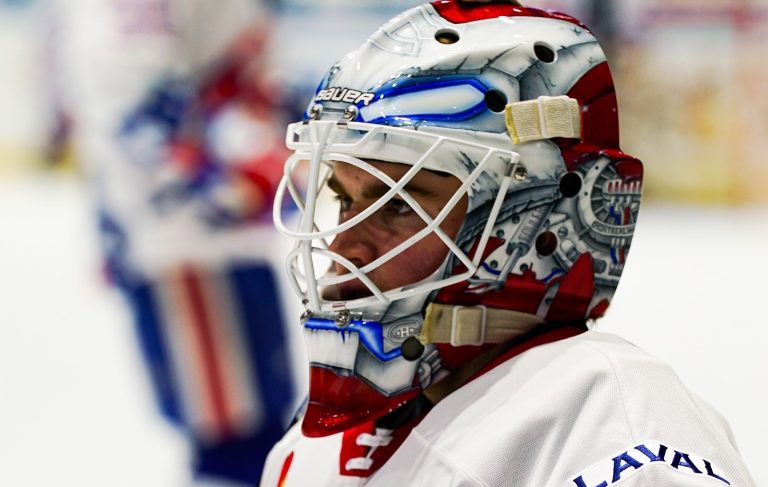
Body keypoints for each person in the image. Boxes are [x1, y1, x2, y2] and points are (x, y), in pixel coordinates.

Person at [262, 0, 757, 485]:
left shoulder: (614, 435)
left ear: (538, 214)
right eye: (342, 199)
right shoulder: (321, 440)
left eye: (397, 205)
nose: (346, 246)